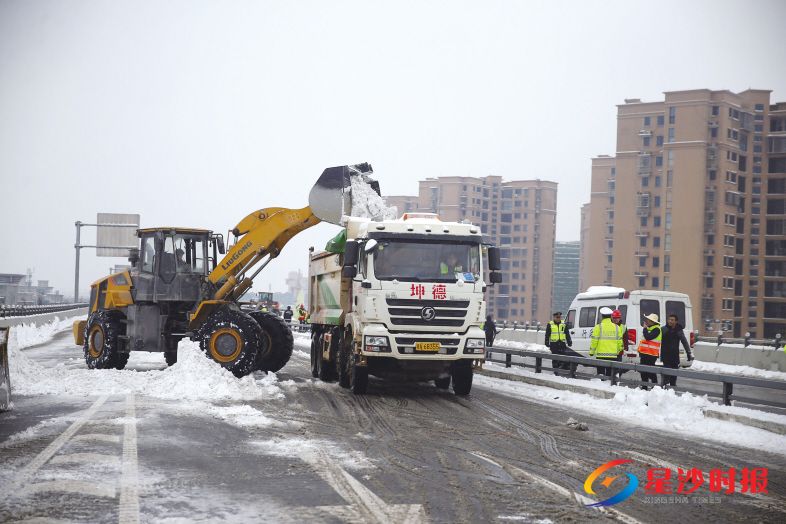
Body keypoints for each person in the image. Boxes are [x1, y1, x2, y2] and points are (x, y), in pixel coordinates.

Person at [660, 314, 693, 387]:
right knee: (666, 376)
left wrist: (688, 352)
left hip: (675, 356)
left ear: (676, 321)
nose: (670, 321)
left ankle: (673, 389)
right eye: (669, 319)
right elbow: (657, 340)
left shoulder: (679, 330)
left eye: (672, 320)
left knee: (674, 377)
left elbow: (684, 341)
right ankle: (664, 389)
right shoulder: (664, 329)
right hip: (666, 356)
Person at [589, 307, 623, 378]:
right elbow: (620, 342)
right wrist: (619, 351)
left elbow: (594, 341)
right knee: (610, 376)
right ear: (611, 316)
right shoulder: (617, 327)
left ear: (602, 316)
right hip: (613, 356)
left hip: (601, 356)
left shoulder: (598, 327)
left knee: (601, 375)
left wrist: (592, 352)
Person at [638, 313, 662, 389]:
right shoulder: (650, 328)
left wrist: (644, 329)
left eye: (648, 320)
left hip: (651, 354)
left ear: (653, 321)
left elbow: (648, 337)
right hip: (644, 354)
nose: (646, 321)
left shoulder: (657, 329)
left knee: (650, 372)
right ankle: (644, 386)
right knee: (643, 371)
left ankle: (655, 387)